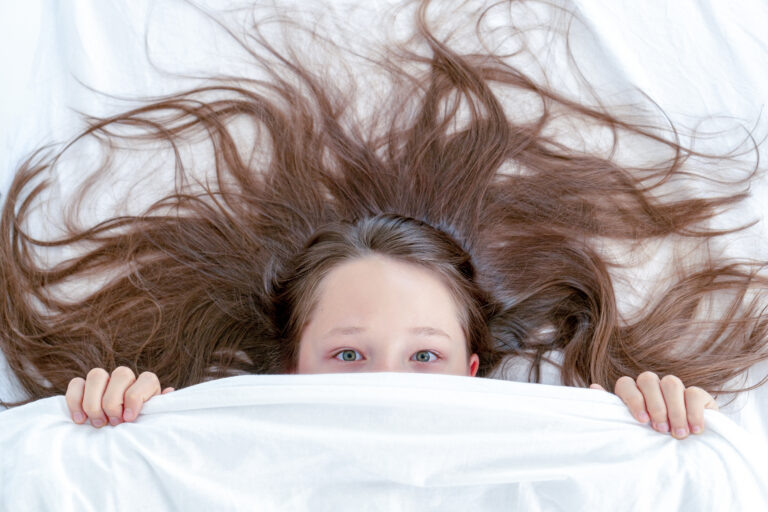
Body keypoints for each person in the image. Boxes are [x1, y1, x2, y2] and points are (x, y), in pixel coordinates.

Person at [0, 0, 764, 441]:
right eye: (348, 356)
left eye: (424, 356)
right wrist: (112, 425)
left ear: (472, 369)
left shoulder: (567, 435)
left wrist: (661, 433)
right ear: (291, 369)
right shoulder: (202, 434)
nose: (389, 384)